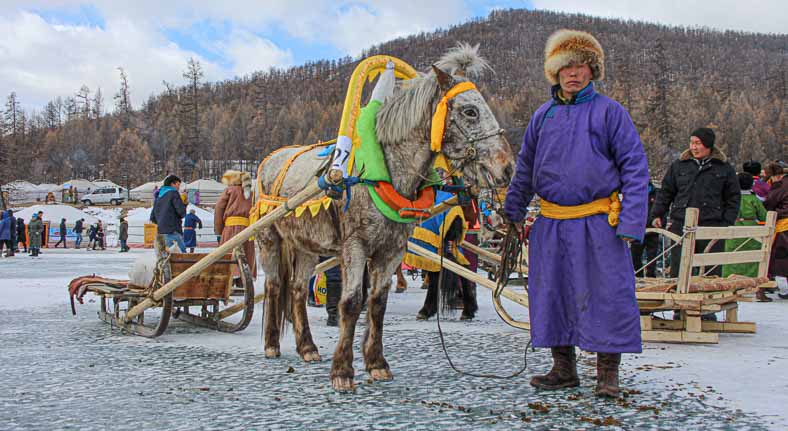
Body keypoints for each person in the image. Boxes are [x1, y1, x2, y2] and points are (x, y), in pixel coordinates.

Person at [504, 29, 649, 398]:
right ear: (555, 71)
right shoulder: (543, 115)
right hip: (551, 223)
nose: (573, 73)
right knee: (552, 294)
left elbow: (635, 168)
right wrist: (514, 209)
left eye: (581, 65)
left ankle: (607, 376)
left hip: (599, 223)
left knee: (607, 295)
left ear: (592, 70)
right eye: (565, 66)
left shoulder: (610, 112)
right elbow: (525, 167)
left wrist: (632, 222)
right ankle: (563, 369)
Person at [652, 128, 740, 278]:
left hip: (712, 226)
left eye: (698, 143)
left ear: (708, 145)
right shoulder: (679, 165)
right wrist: (657, 213)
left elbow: (733, 197)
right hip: (681, 224)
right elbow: (666, 191)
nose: (693, 147)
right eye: (691, 143)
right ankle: (678, 299)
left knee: (710, 272)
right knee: (679, 269)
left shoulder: (724, 168)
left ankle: (710, 299)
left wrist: (726, 222)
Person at [723, 173, 768, 282]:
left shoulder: (730, 199)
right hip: (752, 230)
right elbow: (764, 216)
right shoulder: (754, 199)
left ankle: (729, 278)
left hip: (733, 228)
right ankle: (751, 279)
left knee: (731, 254)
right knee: (752, 255)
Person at [214, 170, 256, 279]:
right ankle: (245, 280)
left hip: (231, 228)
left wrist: (218, 231)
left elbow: (219, 208)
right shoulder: (251, 194)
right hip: (247, 229)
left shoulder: (229, 191)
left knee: (228, 254)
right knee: (247, 254)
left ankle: (230, 277)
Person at [764, 163, 788, 285]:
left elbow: (770, 203)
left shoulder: (780, 186)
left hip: (783, 225)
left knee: (776, 256)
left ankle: (763, 288)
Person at [150, 174, 187, 253]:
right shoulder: (174, 193)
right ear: (172, 184)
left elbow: (153, 217)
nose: (178, 187)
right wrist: (184, 203)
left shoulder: (158, 196)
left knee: (166, 258)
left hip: (161, 232)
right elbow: (182, 212)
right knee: (182, 257)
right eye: (178, 184)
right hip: (172, 230)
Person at [631, 181, 660, 277]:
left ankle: (651, 277)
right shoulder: (634, 193)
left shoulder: (657, 194)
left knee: (652, 259)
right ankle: (638, 277)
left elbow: (662, 210)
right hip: (637, 231)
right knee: (635, 257)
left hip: (653, 232)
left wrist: (659, 224)